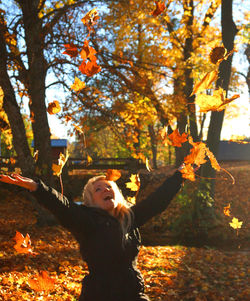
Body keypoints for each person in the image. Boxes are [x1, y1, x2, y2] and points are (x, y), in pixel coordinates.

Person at [0, 167, 185, 301]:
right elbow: (62, 206)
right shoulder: (86, 221)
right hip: (99, 294)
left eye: (109, 187)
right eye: (98, 189)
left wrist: (178, 177)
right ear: (91, 201)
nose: (105, 189)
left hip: (133, 293)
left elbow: (156, 202)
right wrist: (36, 187)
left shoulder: (129, 218)